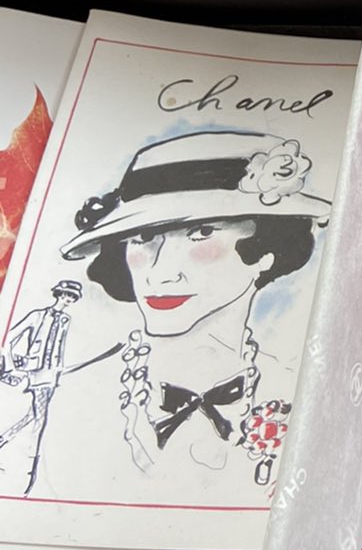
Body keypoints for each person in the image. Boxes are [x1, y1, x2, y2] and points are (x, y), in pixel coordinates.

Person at [59, 129, 329, 485]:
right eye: (143, 238)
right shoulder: (73, 397)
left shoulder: (302, 391)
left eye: (202, 233)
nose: (162, 272)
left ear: (266, 251)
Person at [0, 279, 82, 490]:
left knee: (33, 415)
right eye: (66, 294)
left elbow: (60, 347)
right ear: (58, 294)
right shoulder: (37, 315)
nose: (68, 299)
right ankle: (30, 468)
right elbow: (8, 338)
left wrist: (59, 368)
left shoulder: (65, 320)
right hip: (36, 372)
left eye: (72, 297)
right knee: (40, 419)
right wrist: (11, 367)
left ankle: (3, 440)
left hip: (51, 374)